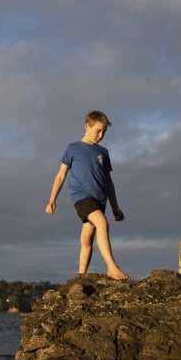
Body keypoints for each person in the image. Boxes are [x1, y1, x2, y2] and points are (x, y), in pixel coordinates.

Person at [45, 110, 129, 280]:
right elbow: (61, 175)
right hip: (81, 197)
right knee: (102, 224)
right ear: (86, 126)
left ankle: (81, 276)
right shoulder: (73, 148)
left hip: (100, 200)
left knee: (87, 238)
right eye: (98, 130)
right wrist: (52, 199)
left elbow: (108, 182)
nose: (101, 135)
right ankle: (112, 267)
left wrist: (115, 207)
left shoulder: (103, 153)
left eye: (104, 132)